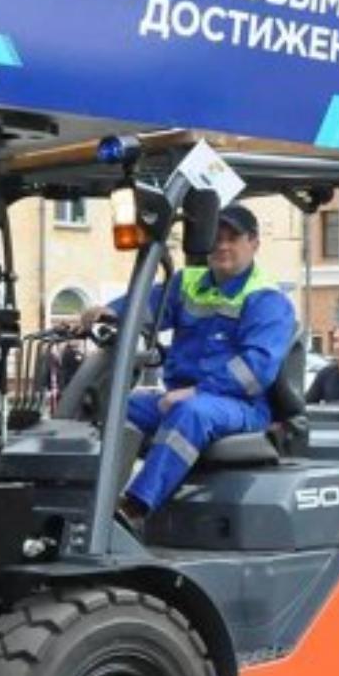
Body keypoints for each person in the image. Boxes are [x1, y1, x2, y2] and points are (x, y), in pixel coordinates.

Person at [91, 203, 297, 533]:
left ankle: (134, 508)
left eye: (233, 238)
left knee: (192, 413)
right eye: (216, 237)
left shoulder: (266, 299)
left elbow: (255, 371)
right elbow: (146, 306)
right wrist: (108, 313)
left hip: (242, 406)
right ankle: (88, 497)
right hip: (182, 398)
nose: (222, 245)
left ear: (254, 243)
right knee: (116, 407)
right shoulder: (188, 282)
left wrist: (198, 391)